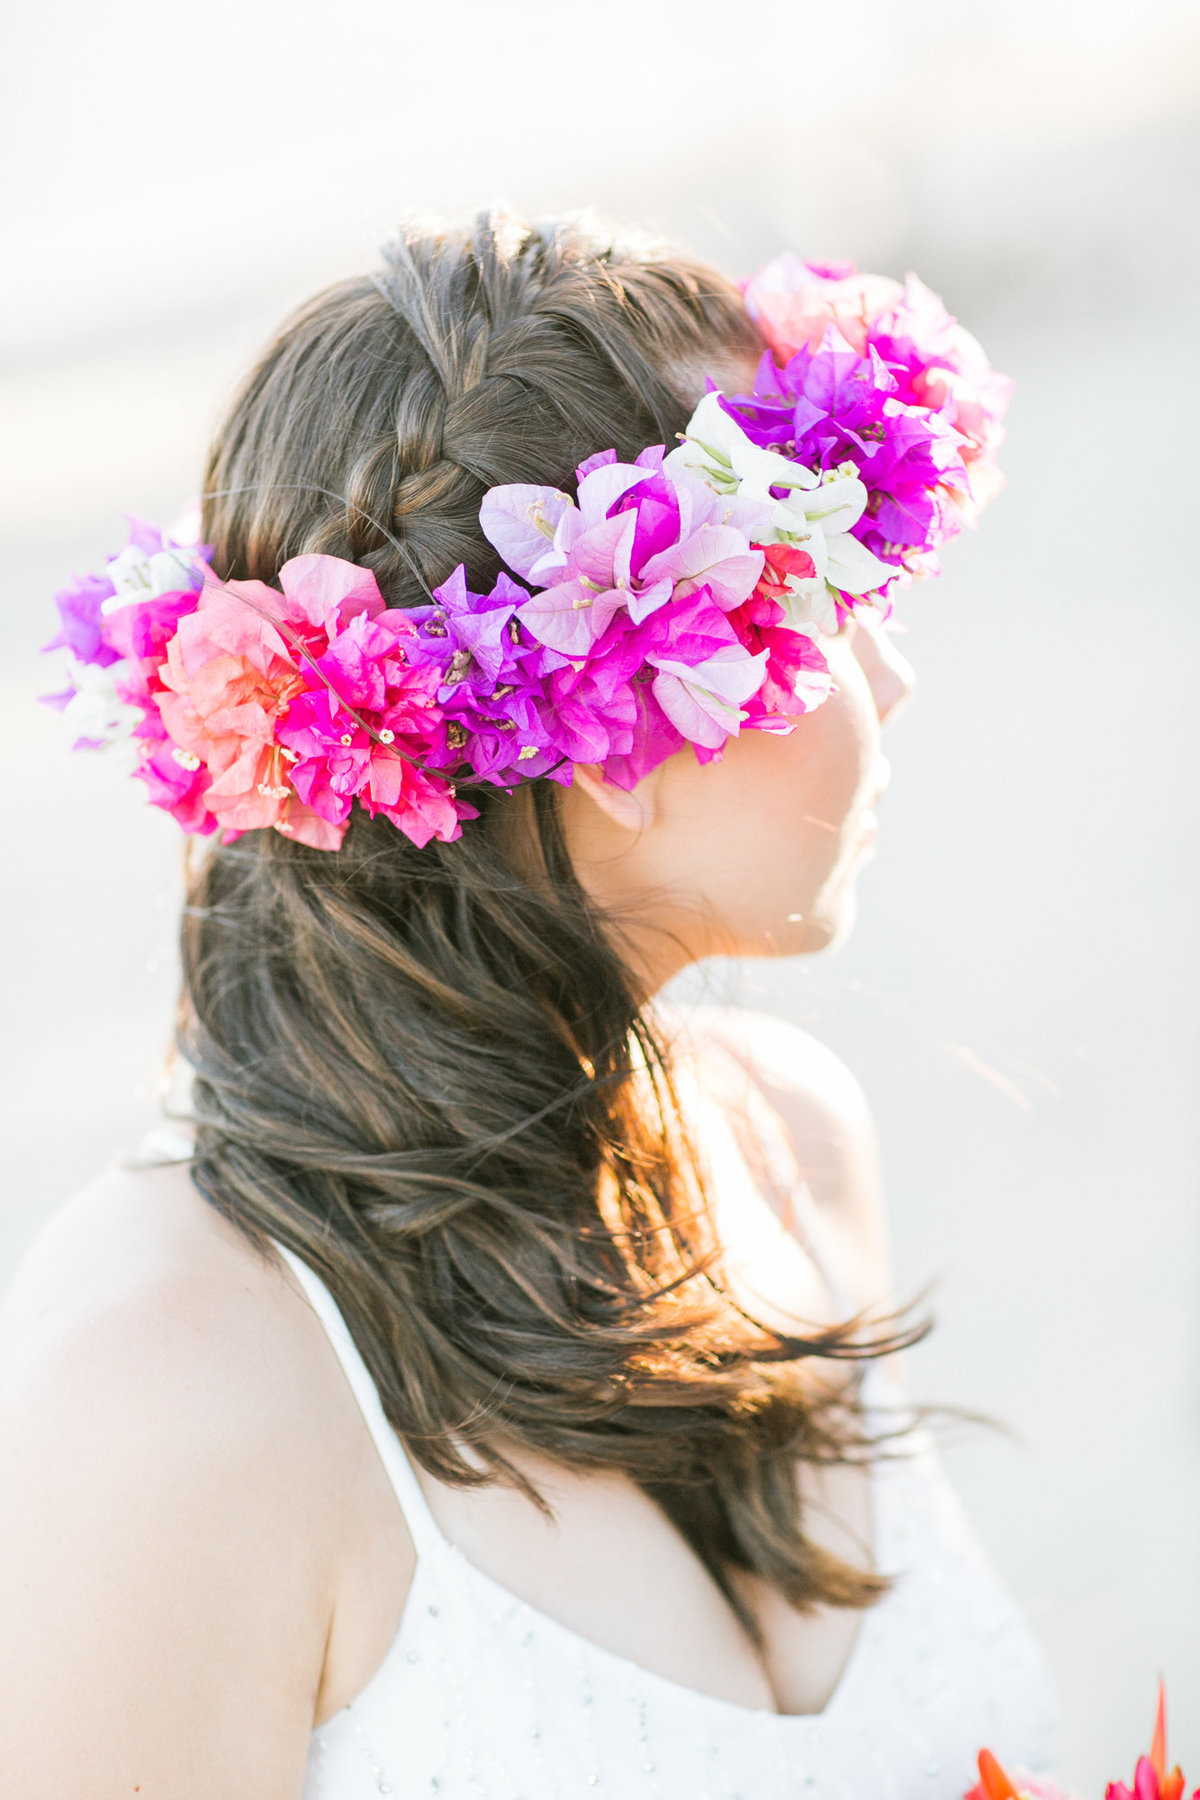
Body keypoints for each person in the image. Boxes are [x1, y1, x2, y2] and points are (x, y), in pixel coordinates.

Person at [0, 210, 1057, 1798]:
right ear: (631, 703)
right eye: (838, 591)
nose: (890, 676)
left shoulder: (790, 1144)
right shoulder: (165, 1375)